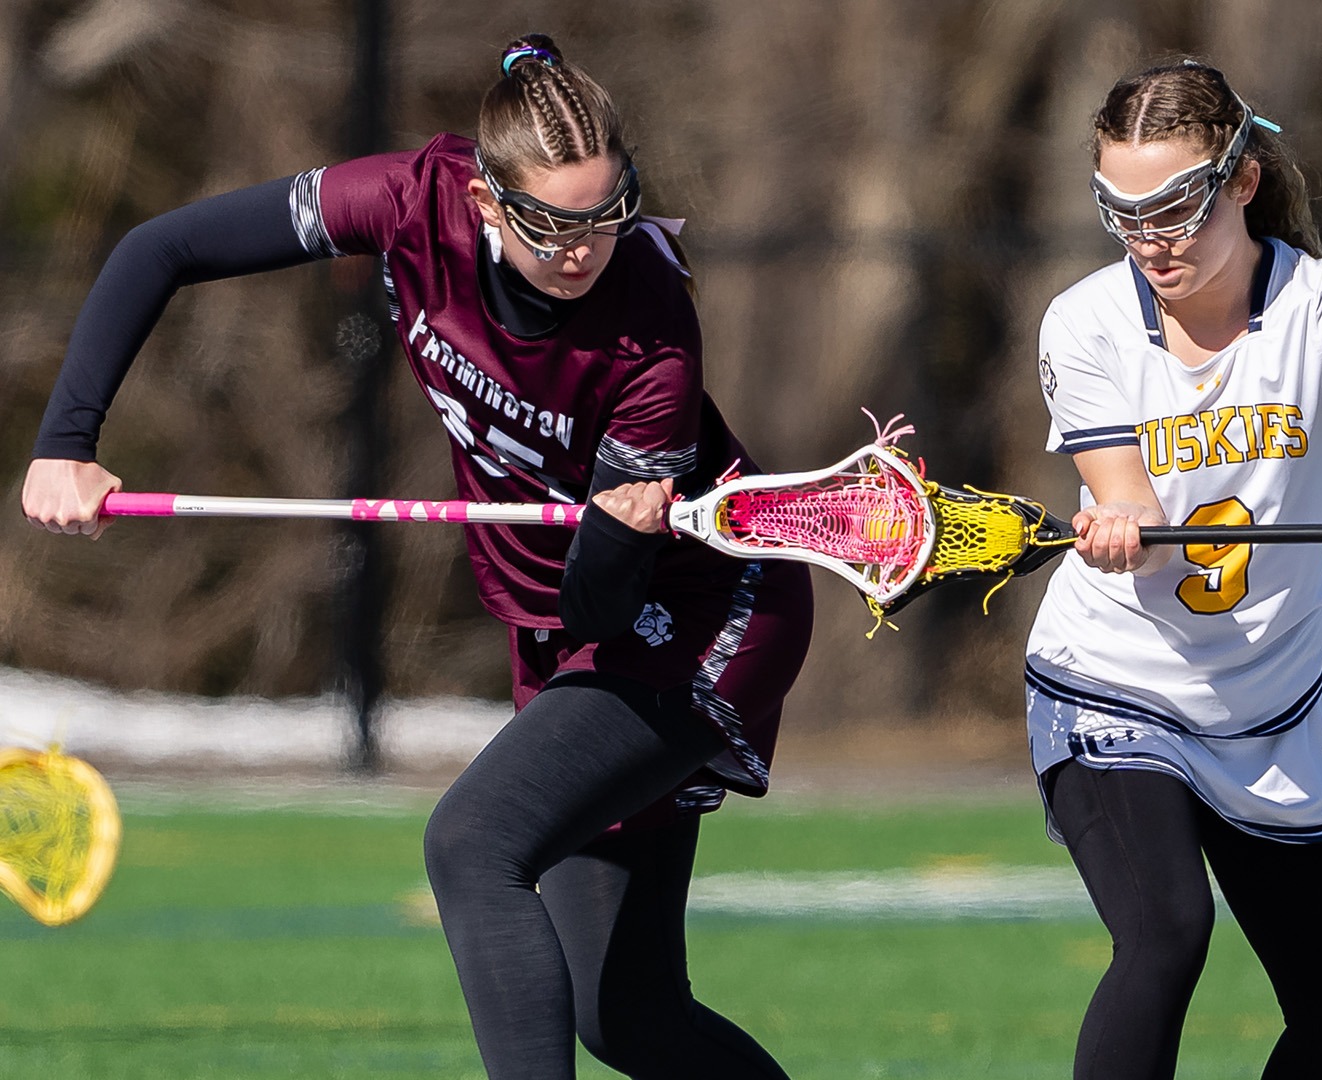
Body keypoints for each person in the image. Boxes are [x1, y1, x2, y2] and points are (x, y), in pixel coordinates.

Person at [20, 34, 812, 1080]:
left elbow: (604, 611)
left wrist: (619, 529)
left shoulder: (651, 337)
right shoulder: (405, 200)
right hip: (566, 627)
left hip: (699, 611)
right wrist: (66, 445)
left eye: (606, 217)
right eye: (552, 224)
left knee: (473, 846)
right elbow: (158, 250)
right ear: (486, 202)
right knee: (630, 1018)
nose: (583, 250)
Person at [1025, 60, 1322, 1079]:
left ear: (1242, 180)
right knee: (1165, 935)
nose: (1151, 239)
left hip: (1275, 705)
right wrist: (1122, 525)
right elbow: (1128, 491)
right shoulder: (1086, 321)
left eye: (1176, 205)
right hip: (1118, 686)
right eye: (1122, 212)